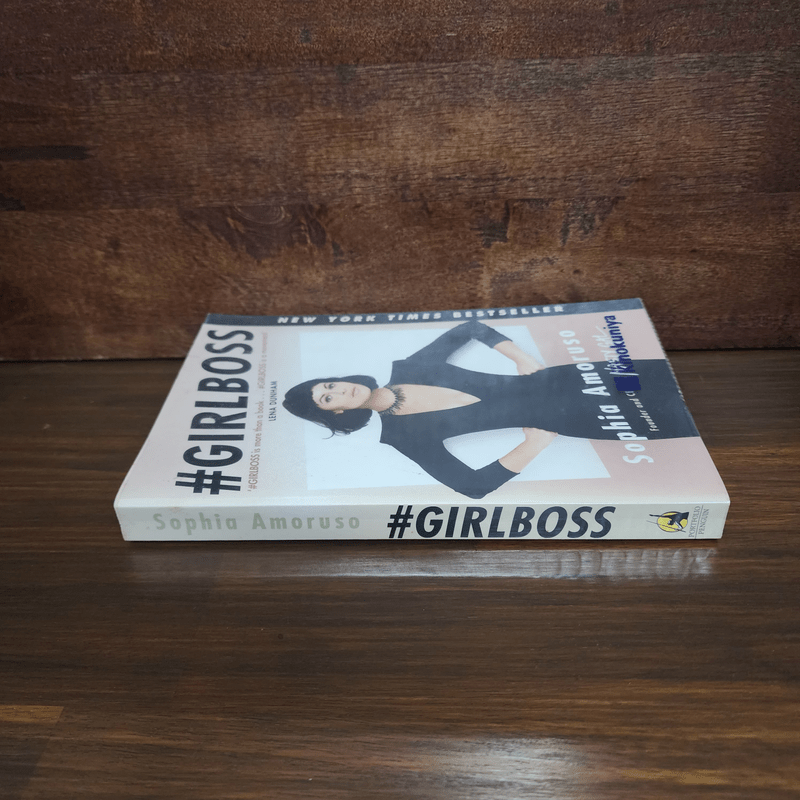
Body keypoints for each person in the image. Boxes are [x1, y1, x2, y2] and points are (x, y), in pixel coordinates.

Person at [283, 320, 697, 499]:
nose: (339, 390)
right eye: (328, 399)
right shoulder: (402, 437)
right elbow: (472, 486)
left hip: (570, 379)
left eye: (330, 384)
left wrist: (520, 357)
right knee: (683, 420)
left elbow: (471, 329)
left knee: (678, 380)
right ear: (337, 414)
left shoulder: (411, 367)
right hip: (574, 418)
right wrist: (532, 446)